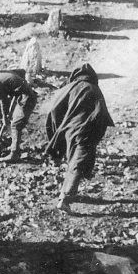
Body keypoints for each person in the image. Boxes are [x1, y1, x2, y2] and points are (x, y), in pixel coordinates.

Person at [44, 64, 114, 211]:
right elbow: (101, 115)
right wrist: (95, 135)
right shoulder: (95, 89)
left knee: (72, 160)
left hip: (69, 130)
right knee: (78, 162)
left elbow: (53, 111)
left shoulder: (67, 88)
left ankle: (66, 193)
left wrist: (58, 133)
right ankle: (65, 198)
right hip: (86, 131)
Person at [0, 60, 38, 163]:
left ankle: (14, 154)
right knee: (15, 120)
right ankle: (14, 145)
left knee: (15, 124)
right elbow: (22, 72)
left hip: (27, 98)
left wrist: (4, 118)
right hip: (23, 96)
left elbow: (3, 102)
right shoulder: (4, 72)